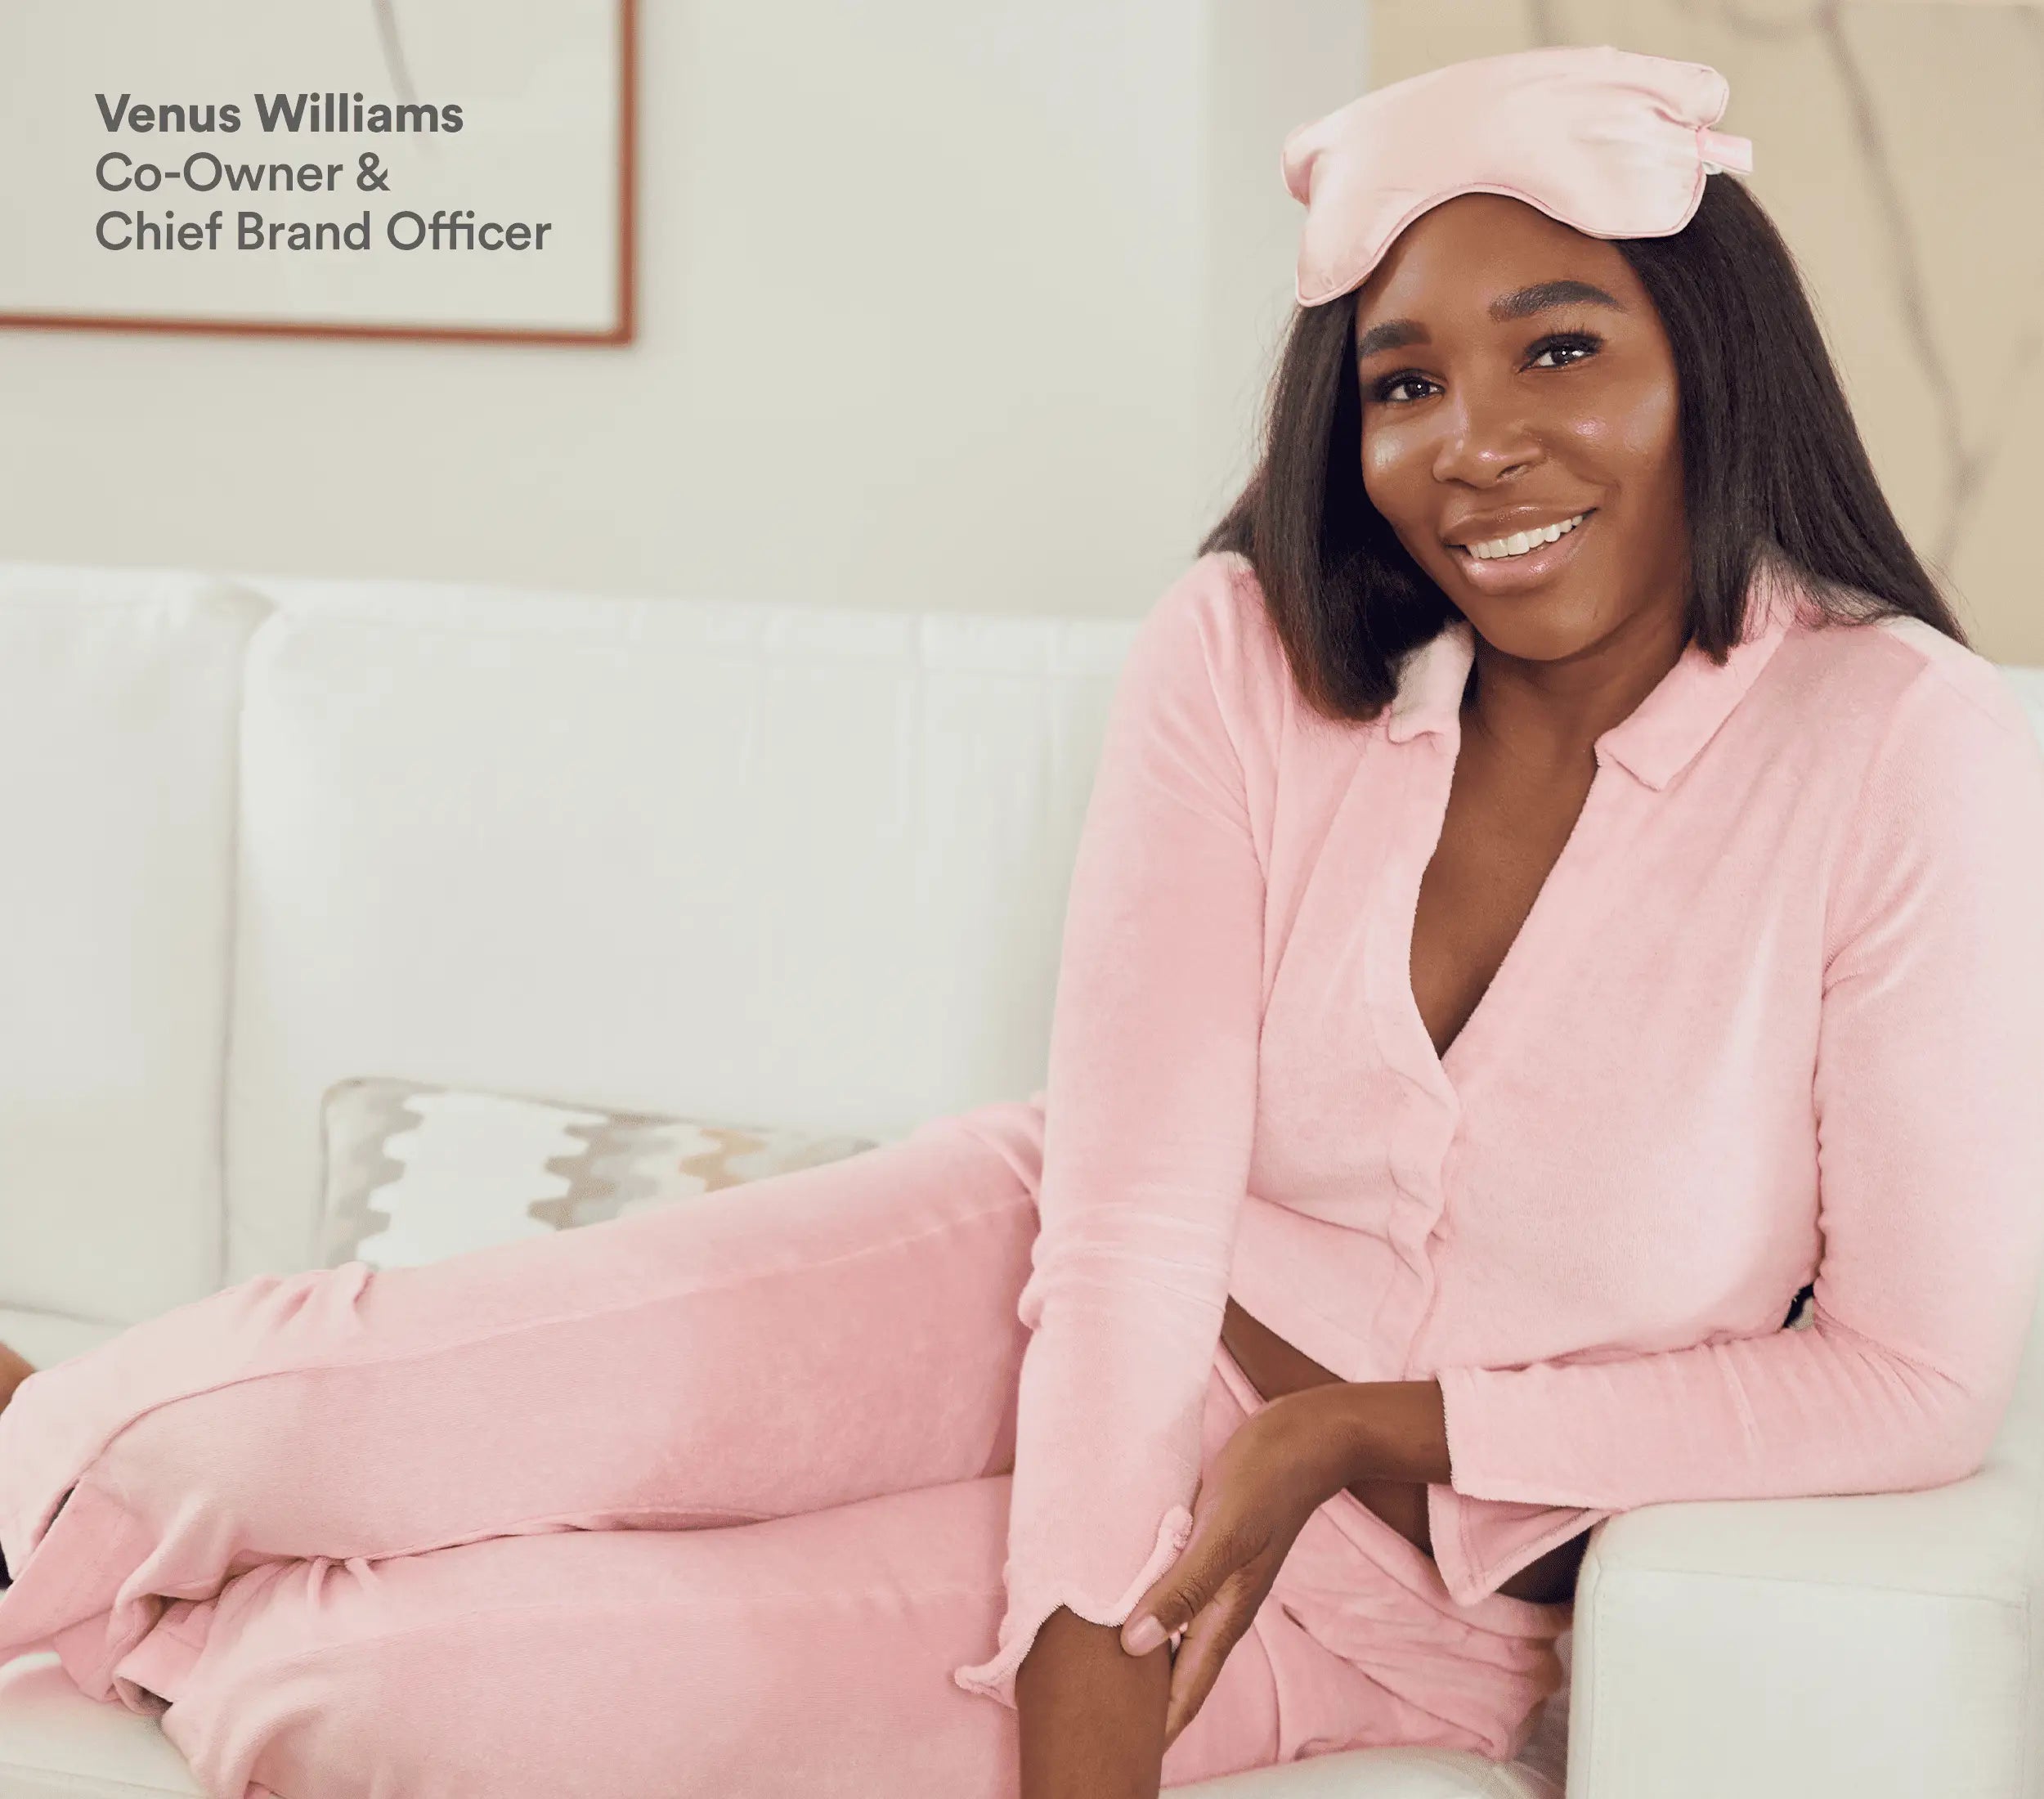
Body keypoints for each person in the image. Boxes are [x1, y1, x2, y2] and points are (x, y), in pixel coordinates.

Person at [4, 42, 2044, 1799]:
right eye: (1401, 380)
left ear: (1713, 357)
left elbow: (1906, 1374)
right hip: (1040, 1291)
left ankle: (120, 1580)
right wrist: (1082, 1633)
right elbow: (1139, 1211)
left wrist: (1368, 1430)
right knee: (257, 1421)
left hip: (1392, 1583)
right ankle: (53, 1483)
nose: (1474, 444)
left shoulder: (1903, 747)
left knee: (364, 1701)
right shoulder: (1246, 646)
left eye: (1561, 348)